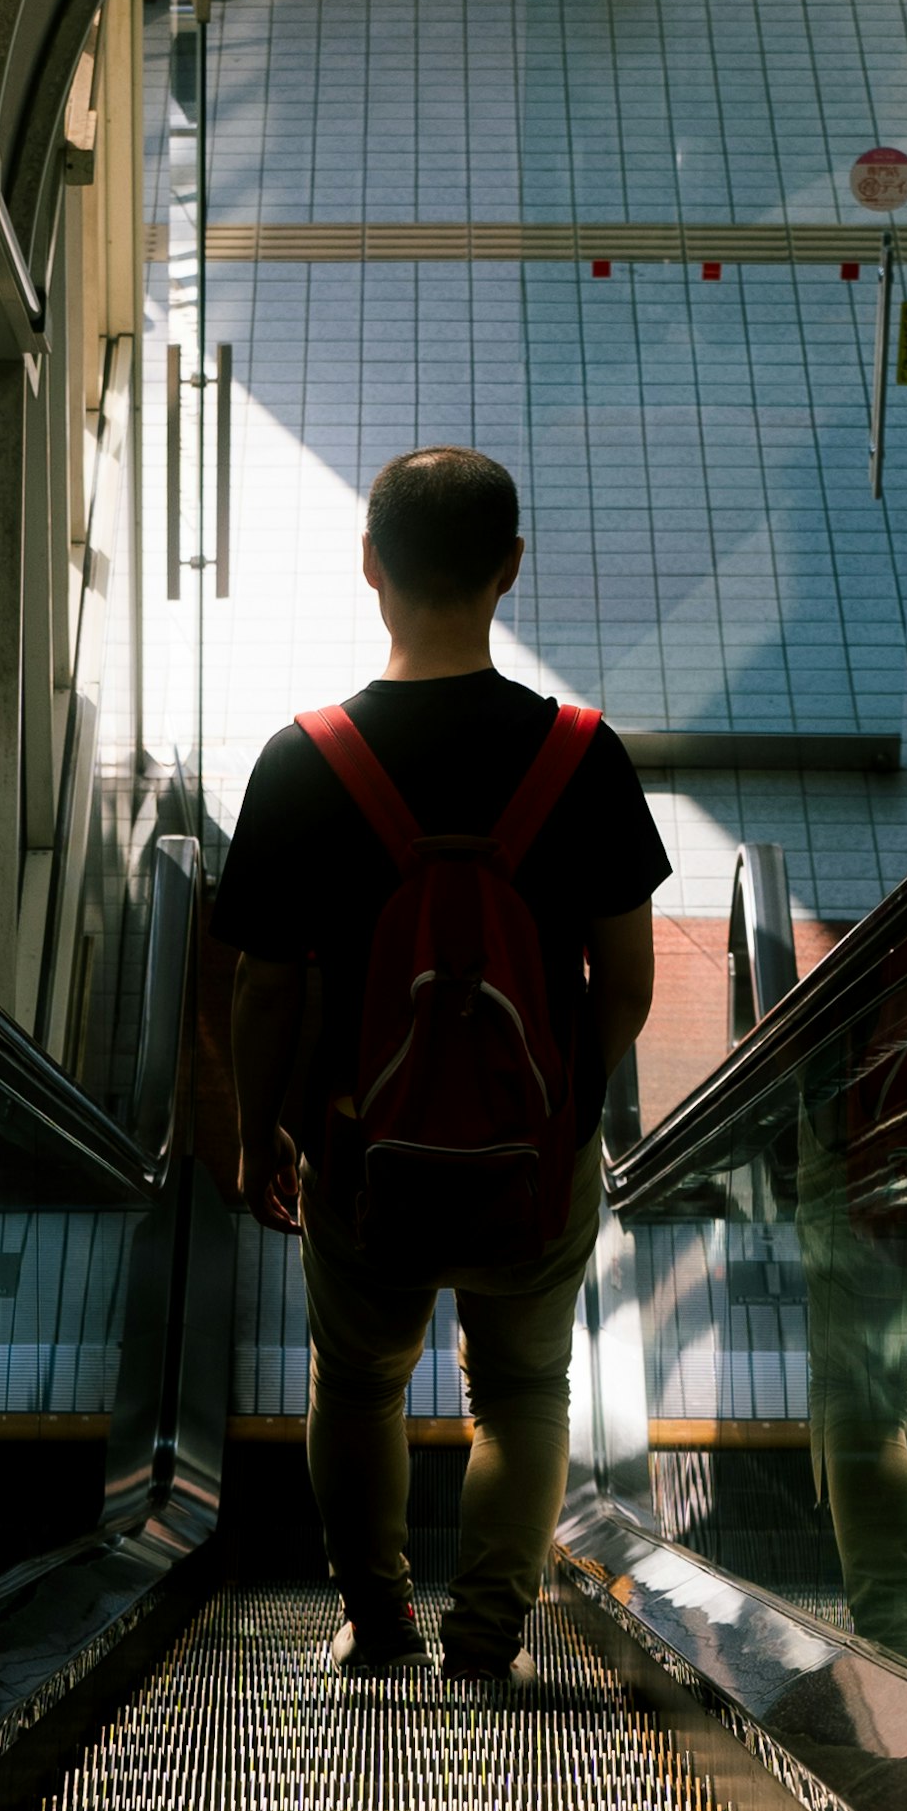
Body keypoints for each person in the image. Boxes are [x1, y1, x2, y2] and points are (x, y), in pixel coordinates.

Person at [219, 444, 665, 1690]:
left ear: (369, 565)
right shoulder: (584, 756)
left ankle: (378, 1619)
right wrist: (560, 1098)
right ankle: (487, 1635)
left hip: (362, 1148)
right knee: (521, 1384)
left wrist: (265, 1138)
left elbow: (263, 984)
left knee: (358, 1382)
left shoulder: (304, 759)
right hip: (536, 1155)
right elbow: (623, 985)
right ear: (510, 571)